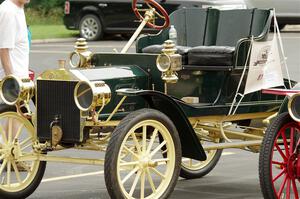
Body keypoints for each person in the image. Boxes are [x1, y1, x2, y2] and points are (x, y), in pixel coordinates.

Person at [0, 0, 31, 172]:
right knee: (18, 116)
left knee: (14, 116)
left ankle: (7, 151)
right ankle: (12, 156)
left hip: (20, 74)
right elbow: (3, 49)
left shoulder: (18, 8)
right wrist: (11, 80)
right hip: (14, 77)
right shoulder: (9, 11)